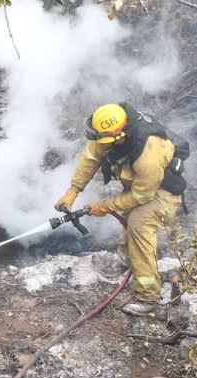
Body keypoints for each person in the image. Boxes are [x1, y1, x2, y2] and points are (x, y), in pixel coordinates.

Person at [55, 102, 186, 317]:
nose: (101, 146)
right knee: (129, 219)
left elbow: (141, 195)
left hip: (162, 192)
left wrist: (105, 206)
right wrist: (73, 191)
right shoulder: (106, 133)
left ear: (120, 136)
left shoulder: (149, 149)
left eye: (105, 142)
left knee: (138, 226)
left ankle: (149, 296)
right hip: (139, 187)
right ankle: (126, 261)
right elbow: (90, 158)